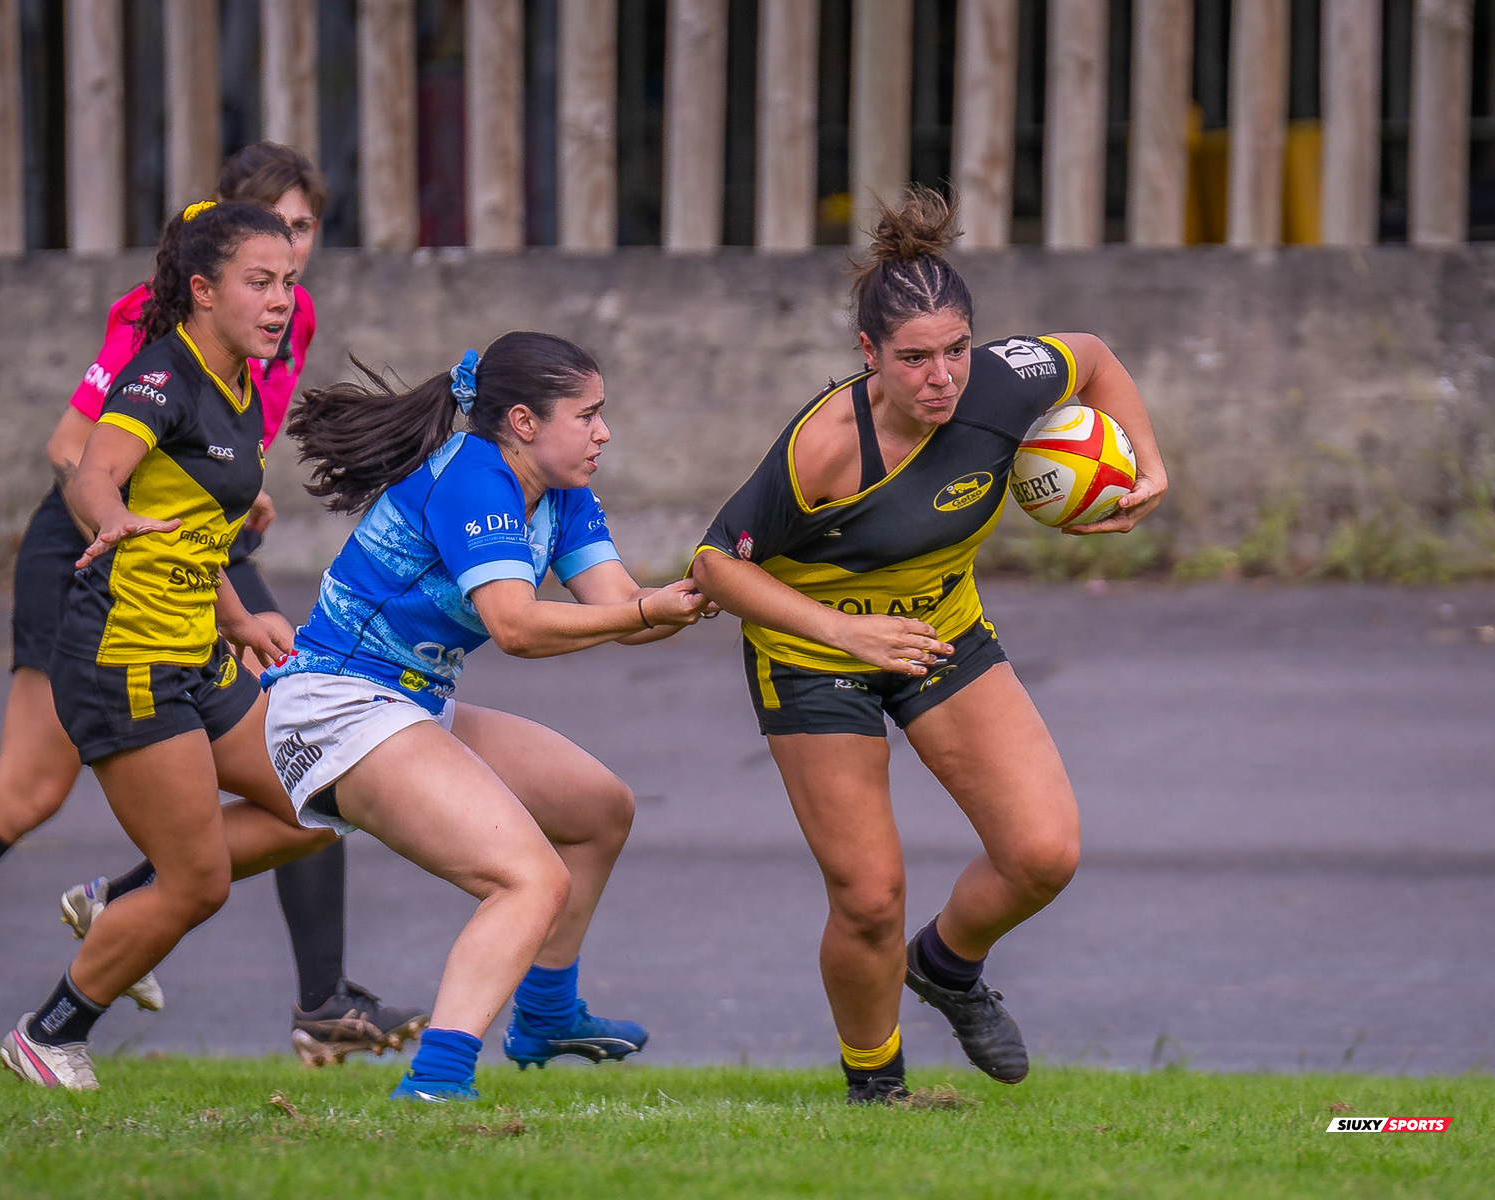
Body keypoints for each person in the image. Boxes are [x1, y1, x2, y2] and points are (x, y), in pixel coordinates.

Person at [0, 142, 421, 1070]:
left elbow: (214, 454)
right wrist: (123, 520)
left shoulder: (280, 320)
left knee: (308, 744)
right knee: (29, 789)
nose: (290, 265)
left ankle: (310, 992)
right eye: (273, 238)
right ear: (213, 256)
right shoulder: (154, 321)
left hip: (193, 555)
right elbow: (75, 451)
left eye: (304, 236)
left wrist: (223, 506)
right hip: (94, 556)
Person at [689, 188, 1167, 1105]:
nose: (941, 377)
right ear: (868, 355)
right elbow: (715, 566)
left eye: (955, 351)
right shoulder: (823, 449)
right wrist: (842, 630)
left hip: (941, 629)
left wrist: (1148, 464)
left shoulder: (1003, 383)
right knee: (869, 896)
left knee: (1043, 854)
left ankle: (946, 966)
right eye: (913, 359)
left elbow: (1096, 359)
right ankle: (877, 1085)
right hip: (814, 650)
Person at [261, 331, 710, 1103]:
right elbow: (517, 625)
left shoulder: (561, 490)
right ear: (526, 423)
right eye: (589, 415)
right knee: (528, 880)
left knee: (599, 809)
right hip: (337, 707)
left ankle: (544, 1013)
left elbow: (619, 606)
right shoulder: (475, 477)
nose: (604, 432)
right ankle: (436, 1083)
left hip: (410, 702)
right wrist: (646, 608)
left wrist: (722, 577)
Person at [0, 198, 339, 1090]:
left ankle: (117, 900)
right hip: (128, 664)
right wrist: (109, 518)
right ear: (201, 290)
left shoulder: (238, 383)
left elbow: (193, 523)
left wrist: (238, 615)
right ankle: (51, 1030)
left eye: (288, 284)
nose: (278, 302)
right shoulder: (162, 378)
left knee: (319, 802)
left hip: (198, 649)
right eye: (258, 283)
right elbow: (92, 471)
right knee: (199, 886)